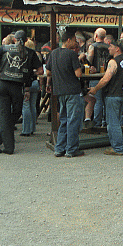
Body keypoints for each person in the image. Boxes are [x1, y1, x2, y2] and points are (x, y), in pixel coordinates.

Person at [0, 30, 42, 155]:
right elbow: (40, 71)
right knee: (16, 112)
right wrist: (29, 73)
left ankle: (4, 144)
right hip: (17, 86)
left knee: (4, 115)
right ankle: (1, 143)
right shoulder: (30, 53)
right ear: (26, 40)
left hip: (2, 84)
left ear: (14, 39)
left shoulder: (4, 48)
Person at [89, 39, 123, 156]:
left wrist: (95, 89)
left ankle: (118, 148)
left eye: (111, 46)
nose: (109, 48)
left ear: (117, 49)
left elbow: (106, 78)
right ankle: (118, 145)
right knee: (117, 121)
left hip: (113, 94)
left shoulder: (113, 62)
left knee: (113, 123)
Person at [47, 30, 85, 158]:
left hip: (59, 91)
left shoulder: (53, 53)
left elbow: (48, 72)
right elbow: (78, 74)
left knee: (63, 120)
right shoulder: (71, 54)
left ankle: (59, 148)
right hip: (72, 91)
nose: (76, 43)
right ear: (68, 40)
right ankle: (71, 149)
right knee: (73, 120)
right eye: (74, 40)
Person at [86, 27, 110, 127]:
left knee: (97, 100)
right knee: (106, 100)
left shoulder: (92, 46)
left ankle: (97, 123)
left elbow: (89, 61)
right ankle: (105, 122)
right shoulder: (109, 47)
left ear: (96, 35)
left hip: (95, 77)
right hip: (107, 76)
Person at [20, 39, 43, 137]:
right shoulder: (37, 55)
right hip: (35, 82)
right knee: (33, 106)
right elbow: (41, 71)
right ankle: (33, 128)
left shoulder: (24, 55)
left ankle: (26, 130)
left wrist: (29, 73)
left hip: (27, 83)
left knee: (25, 106)